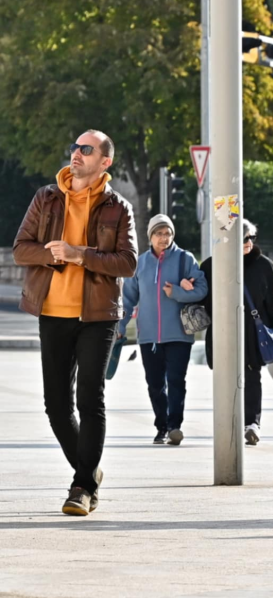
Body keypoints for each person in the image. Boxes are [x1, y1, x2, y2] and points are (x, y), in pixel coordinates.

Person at [13, 130, 137, 515]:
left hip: (97, 316)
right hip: (52, 312)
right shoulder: (46, 198)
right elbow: (20, 250)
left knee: (90, 399)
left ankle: (81, 487)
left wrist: (79, 254)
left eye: (86, 149)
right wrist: (54, 257)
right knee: (56, 406)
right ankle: (88, 471)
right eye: (75, 148)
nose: (77, 154)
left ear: (105, 161)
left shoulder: (118, 207)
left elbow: (128, 263)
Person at [119, 215, 208, 446]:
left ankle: (174, 426)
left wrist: (177, 292)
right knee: (155, 384)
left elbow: (202, 290)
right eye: (159, 233)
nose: (164, 238)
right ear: (151, 236)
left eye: (167, 233)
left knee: (177, 380)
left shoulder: (184, 259)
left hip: (179, 334)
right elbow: (127, 300)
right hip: (149, 336)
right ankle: (161, 426)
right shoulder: (141, 263)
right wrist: (120, 326)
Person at [200, 219, 273, 446]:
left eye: (252, 237)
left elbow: (272, 300)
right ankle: (228, 422)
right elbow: (203, 297)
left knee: (252, 375)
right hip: (222, 330)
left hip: (252, 331)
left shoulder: (263, 265)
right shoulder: (212, 265)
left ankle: (252, 423)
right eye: (244, 238)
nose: (248, 242)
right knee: (223, 377)